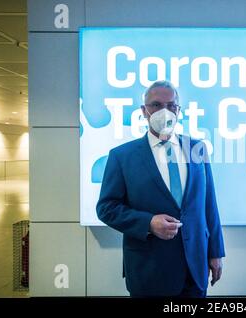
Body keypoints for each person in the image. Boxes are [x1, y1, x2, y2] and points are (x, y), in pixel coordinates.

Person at [96, 80, 225, 297]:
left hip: (195, 268)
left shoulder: (197, 149)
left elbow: (209, 205)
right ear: (144, 111)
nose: (164, 111)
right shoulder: (122, 156)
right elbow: (106, 208)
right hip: (149, 271)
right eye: (156, 105)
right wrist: (148, 223)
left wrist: (216, 252)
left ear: (179, 110)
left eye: (171, 105)